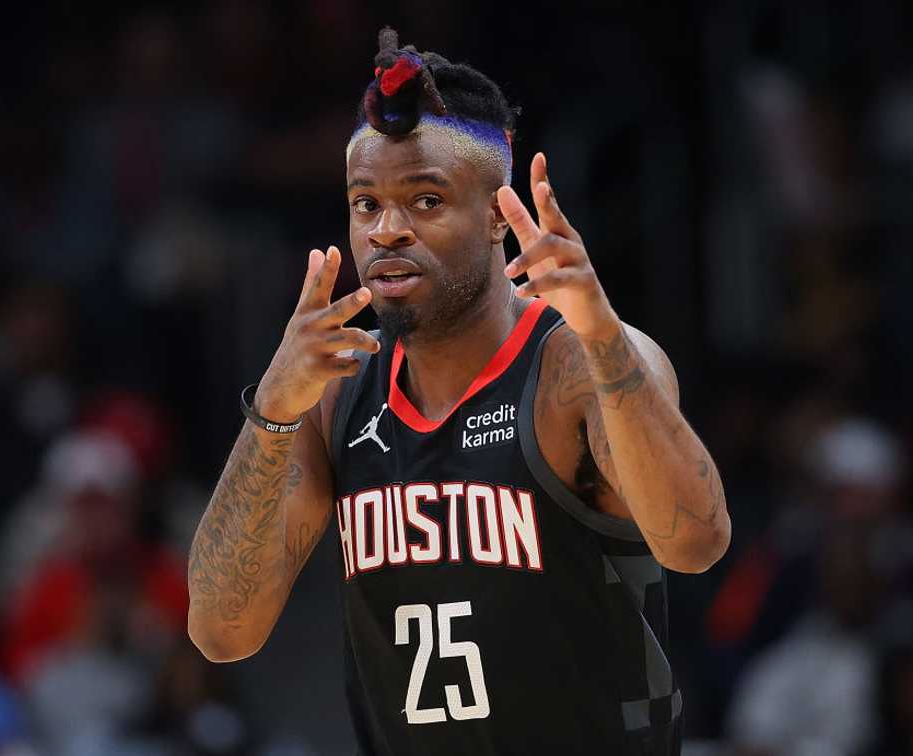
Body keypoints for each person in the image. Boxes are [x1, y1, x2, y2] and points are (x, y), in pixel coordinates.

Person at [186, 28, 729, 755]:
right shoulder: (333, 395)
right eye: (366, 204)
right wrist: (272, 413)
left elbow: (696, 543)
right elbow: (221, 631)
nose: (389, 231)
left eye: (427, 200)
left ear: (500, 215)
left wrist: (601, 337)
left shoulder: (578, 364)